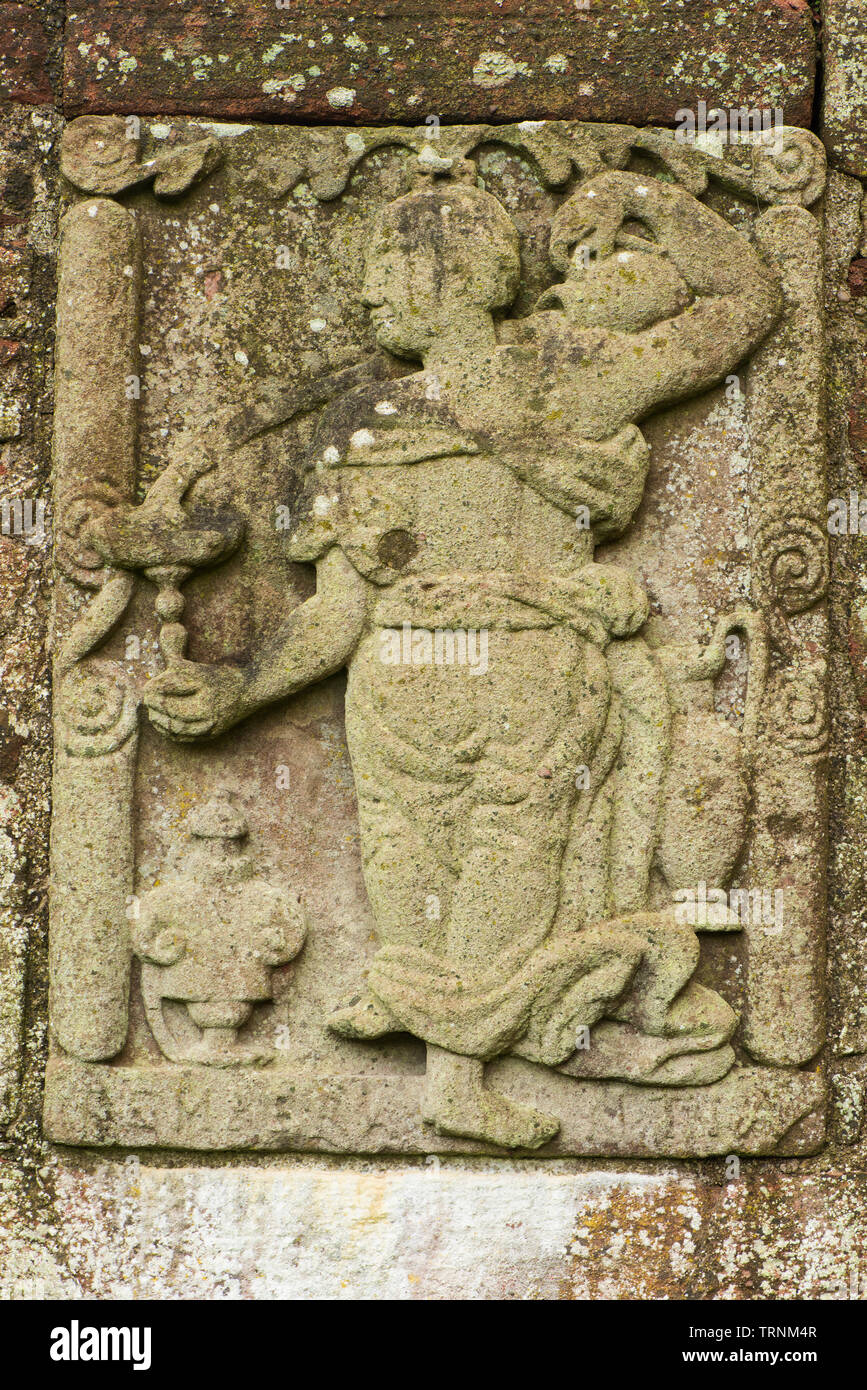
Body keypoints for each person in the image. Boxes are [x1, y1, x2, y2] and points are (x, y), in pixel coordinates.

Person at [144, 167, 781, 1147]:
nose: (368, 293)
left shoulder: (573, 376)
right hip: (395, 682)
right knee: (409, 877)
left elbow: (747, 304)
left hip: (527, 673)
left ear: (463, 273)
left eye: (389, 265)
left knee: (509, 871)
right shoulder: (362, 427)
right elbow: (338, 613)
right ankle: (440, 1043)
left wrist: (640, 195)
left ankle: (454, 1053)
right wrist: (236, 689)